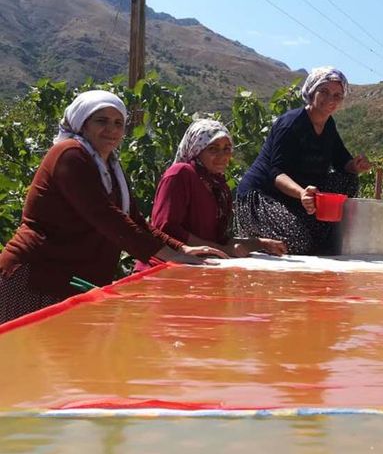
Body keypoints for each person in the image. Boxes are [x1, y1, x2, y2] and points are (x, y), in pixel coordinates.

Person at [0, 90, 227, 324]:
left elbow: (134, 220)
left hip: (70, 277)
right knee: (30, 356)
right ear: (83, 124)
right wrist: (169, 255)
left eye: (118, 123)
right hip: (37, 277)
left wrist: (181, 249)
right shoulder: (70, 154)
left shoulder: (109, 165)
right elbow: (105, 217)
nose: (112, 130)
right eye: (102, 121)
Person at [236, 67, 372, 255]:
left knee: (348, 179)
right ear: (311, 91)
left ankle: (319, 232)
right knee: (298, 242)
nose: (330, 99)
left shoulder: (328, 125)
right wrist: (301, 193)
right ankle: (254, 241)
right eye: (324, 91)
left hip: (296, 200)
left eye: (337, 95)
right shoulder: (291, 124)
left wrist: (355, 165)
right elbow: (276, 173)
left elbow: (342, 161)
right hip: (263, 196)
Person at [137, 119, 286, 270]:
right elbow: (166, 228)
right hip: (163, 268)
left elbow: (217, 239)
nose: (222, 156)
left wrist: (261, 244)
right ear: (197, 150)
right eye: (213, 149)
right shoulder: (180, 174)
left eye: (227, 148)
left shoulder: (219, 186)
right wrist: (221, 250)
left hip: (198, 267)